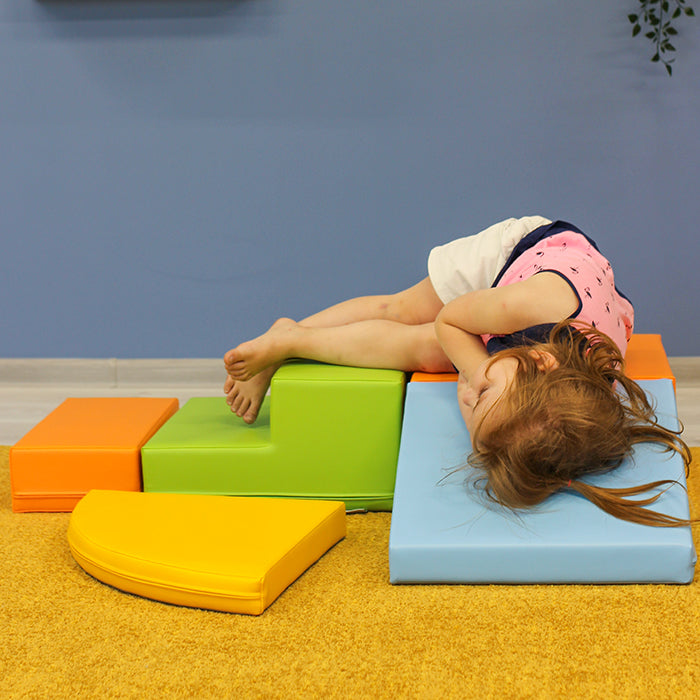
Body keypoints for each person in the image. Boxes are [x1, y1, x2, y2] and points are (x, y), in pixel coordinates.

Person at [224, 216, 691, 527]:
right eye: (482, 398)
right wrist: (477, 366)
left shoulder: (574, 407)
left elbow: (547, 440)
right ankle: (290, 330)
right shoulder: (524, 302)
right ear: (539, 363)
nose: (465, 398)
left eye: (473, 418)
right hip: (520, 258)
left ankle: (292, 342)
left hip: (533, 342)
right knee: (405, 310)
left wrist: (489, 384)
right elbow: (450, 320)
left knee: (422, 353)